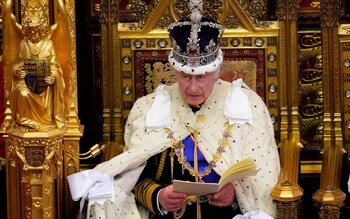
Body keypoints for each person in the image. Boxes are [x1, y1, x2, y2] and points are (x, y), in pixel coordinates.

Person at [68, 2, 280, 219]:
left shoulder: (247, 105)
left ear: (217, 72)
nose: (193, 87)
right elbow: (131, 178)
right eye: (186, 76)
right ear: (174, 70)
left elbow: (262, 182)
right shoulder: (149, 108)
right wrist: (157, 195)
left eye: (202, 77)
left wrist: (236, 194)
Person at [10, 15, 66, 132]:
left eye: (36, 31)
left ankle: (47, 121)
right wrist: (17, 72)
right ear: (27, 31)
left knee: (46, 89)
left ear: (40, 30)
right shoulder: (23, 44)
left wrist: (53, 77)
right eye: (30, 32)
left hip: (44, 83)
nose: (33, 35)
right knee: (22, 93)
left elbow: (55, 66)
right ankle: (25, 122)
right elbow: (16, 64)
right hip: (26, 82)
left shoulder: (48, 44)